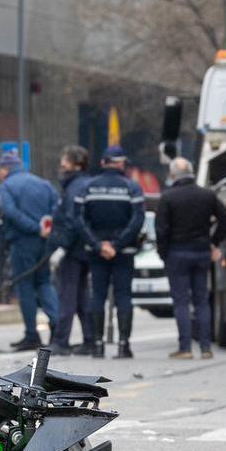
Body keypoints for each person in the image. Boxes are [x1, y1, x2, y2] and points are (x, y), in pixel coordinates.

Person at [156, 157, 226, 360]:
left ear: (173, 175)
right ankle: (206, 348)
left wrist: (164, 254)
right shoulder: (207, 195)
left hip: (177, 253)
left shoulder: (168, 197)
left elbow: (161, 231)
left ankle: (185, 347)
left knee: (181, 302)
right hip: (201, 252)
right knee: (201, 301)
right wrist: (213, 242)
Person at [77, 145, 145, 358]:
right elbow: (137, 220)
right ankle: (124, 345)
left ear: (103, 163)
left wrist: (99, 245)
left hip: (96, 252)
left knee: (97, 295)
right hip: (123, 252)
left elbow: (79, 220)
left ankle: (97, 344)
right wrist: (117, 245)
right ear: (121, 164)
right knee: (124, 295)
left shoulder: (88, 187)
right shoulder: (132, 188)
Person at [0, 151, 59, 351]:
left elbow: (10, 212)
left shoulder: (7, 186)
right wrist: (46, 228)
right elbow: (57, 208)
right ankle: (56, 325)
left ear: (5, 170)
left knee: (25, 288)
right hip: (44, 242)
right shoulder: (44, 184)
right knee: (44, 282)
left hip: (23, 242)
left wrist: (34, 228)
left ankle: (32, 334)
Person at [49, 145, 93, 355]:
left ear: (76, 164)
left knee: (67, 295)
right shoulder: (81, 184)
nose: (61, 164)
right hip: (81, 250)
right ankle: (90, 339)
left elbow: (71, 220)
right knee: (82, 296)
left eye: (65, 160)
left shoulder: (75, 187)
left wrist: (62, 247)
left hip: (72, 251)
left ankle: (61, 341)